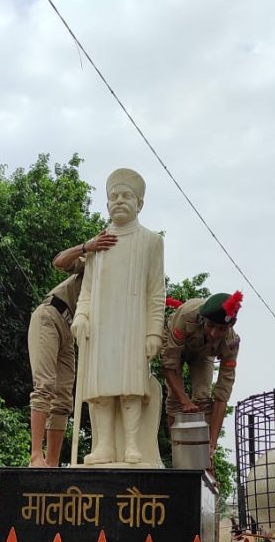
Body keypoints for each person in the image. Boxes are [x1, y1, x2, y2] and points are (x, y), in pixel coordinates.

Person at [71, 168, 165, 466]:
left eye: (127, 196)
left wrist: (153, 332)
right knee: (101, 391)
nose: (119, 201)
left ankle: (133, 445)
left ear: (140, 203)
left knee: (130, 387)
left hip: (133, 325)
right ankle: (105, 446)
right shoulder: (97, 244)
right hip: (100, 326)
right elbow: (86, 289)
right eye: (114, 196)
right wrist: (81, 315)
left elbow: (156, 291)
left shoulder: (151, 241)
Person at [28, 229, 118, 467]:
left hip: (71, 333)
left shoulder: (119, 290)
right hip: (51, 315)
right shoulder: (94, 263)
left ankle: (52, 463)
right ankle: (36, 455)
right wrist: (87, 246)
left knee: (64, 400)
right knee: (45, 385)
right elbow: (59, 261)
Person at [161, 291, 243, 463]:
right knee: (175, 401)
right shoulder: (186, 315)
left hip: (203, 354)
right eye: (211, 325)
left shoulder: (230, 343)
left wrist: (212, 445)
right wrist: (184, 401)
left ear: (229, 327)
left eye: (221, 329)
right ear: (203, 318)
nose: (214, 333)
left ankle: (205, 460)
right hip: (175, 345)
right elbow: (169, 366)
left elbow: (222, 395)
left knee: (203, 399)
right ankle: (177, 454)